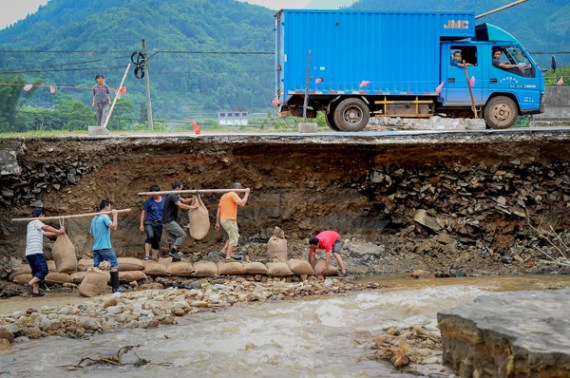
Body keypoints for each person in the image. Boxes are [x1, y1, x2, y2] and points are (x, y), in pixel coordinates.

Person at [25, 208, 66, 297]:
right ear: (40, 215)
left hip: (29, 252)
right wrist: (58, 231)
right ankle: (30, 284)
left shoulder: (30, 224)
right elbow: (46, 227)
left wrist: (58, 233)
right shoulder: (37, 222)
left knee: (36, 272)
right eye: (44, 216)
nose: (44, 218)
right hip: (36, 251)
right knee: (44, 270)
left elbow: (45, 233)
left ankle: (35, 291)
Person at [90, 199, 124, 293]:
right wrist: (115, 215)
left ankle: (94, 289)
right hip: (105, 247)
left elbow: (91, 236)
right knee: (114, 265)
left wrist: (94, 246)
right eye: (110, 207)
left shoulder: (94, 218)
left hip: (96, 248)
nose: (110, 208)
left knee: (97, 267)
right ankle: (115, 288)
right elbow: (114, 227)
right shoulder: (104, 217)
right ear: (106, 207)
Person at [162, 181, 199, 262]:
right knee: (182, 235)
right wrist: (193, 207)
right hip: (169, 221)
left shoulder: (173, 195)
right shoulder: (172, 195)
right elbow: (181, 205)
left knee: (173, 240)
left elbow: (184, 201)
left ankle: (175, 259)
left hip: (166, 221)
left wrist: (194, 198)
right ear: (178, 188)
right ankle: (173, 251)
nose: (181, 190)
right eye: (181, 189)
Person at [215, 182, 251, 261]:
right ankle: (228, 257)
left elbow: (219, 209)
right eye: (240, 190)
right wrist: (247, 193)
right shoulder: (233, 194)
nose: (240, 192)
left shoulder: (224, 195)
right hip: (229, 219)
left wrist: (217, 222)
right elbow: (242, 204)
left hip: (224, 219)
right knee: (234, 238)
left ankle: (224, 250)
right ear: (237, 188)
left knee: (234, 236)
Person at [139, 185, 164, 261]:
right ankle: (147, 255)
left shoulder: (164, 201)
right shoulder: (149, 201)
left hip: (159, 223)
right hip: (149, 222)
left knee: (156, 240)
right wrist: (141, 225)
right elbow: (143, 213)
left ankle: (154, 257)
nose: (152, 195)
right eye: (151, 194)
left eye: (154, 193)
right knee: (150, 236)